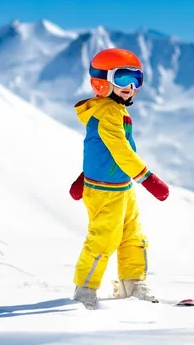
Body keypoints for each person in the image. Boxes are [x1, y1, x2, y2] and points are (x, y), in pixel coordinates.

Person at [68, 47, 170, 310]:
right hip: (105, 190)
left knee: (133, 237)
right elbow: (121, 150)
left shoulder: (114, 109)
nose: (130, 86)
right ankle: (85, 289)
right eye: (123, 78)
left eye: (137, 79)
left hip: (121, 187)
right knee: (103, 239)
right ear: (102, 81)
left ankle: (132, 283)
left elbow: (100, 148)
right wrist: (148, 178)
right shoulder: (108, 112)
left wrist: (83, 175)